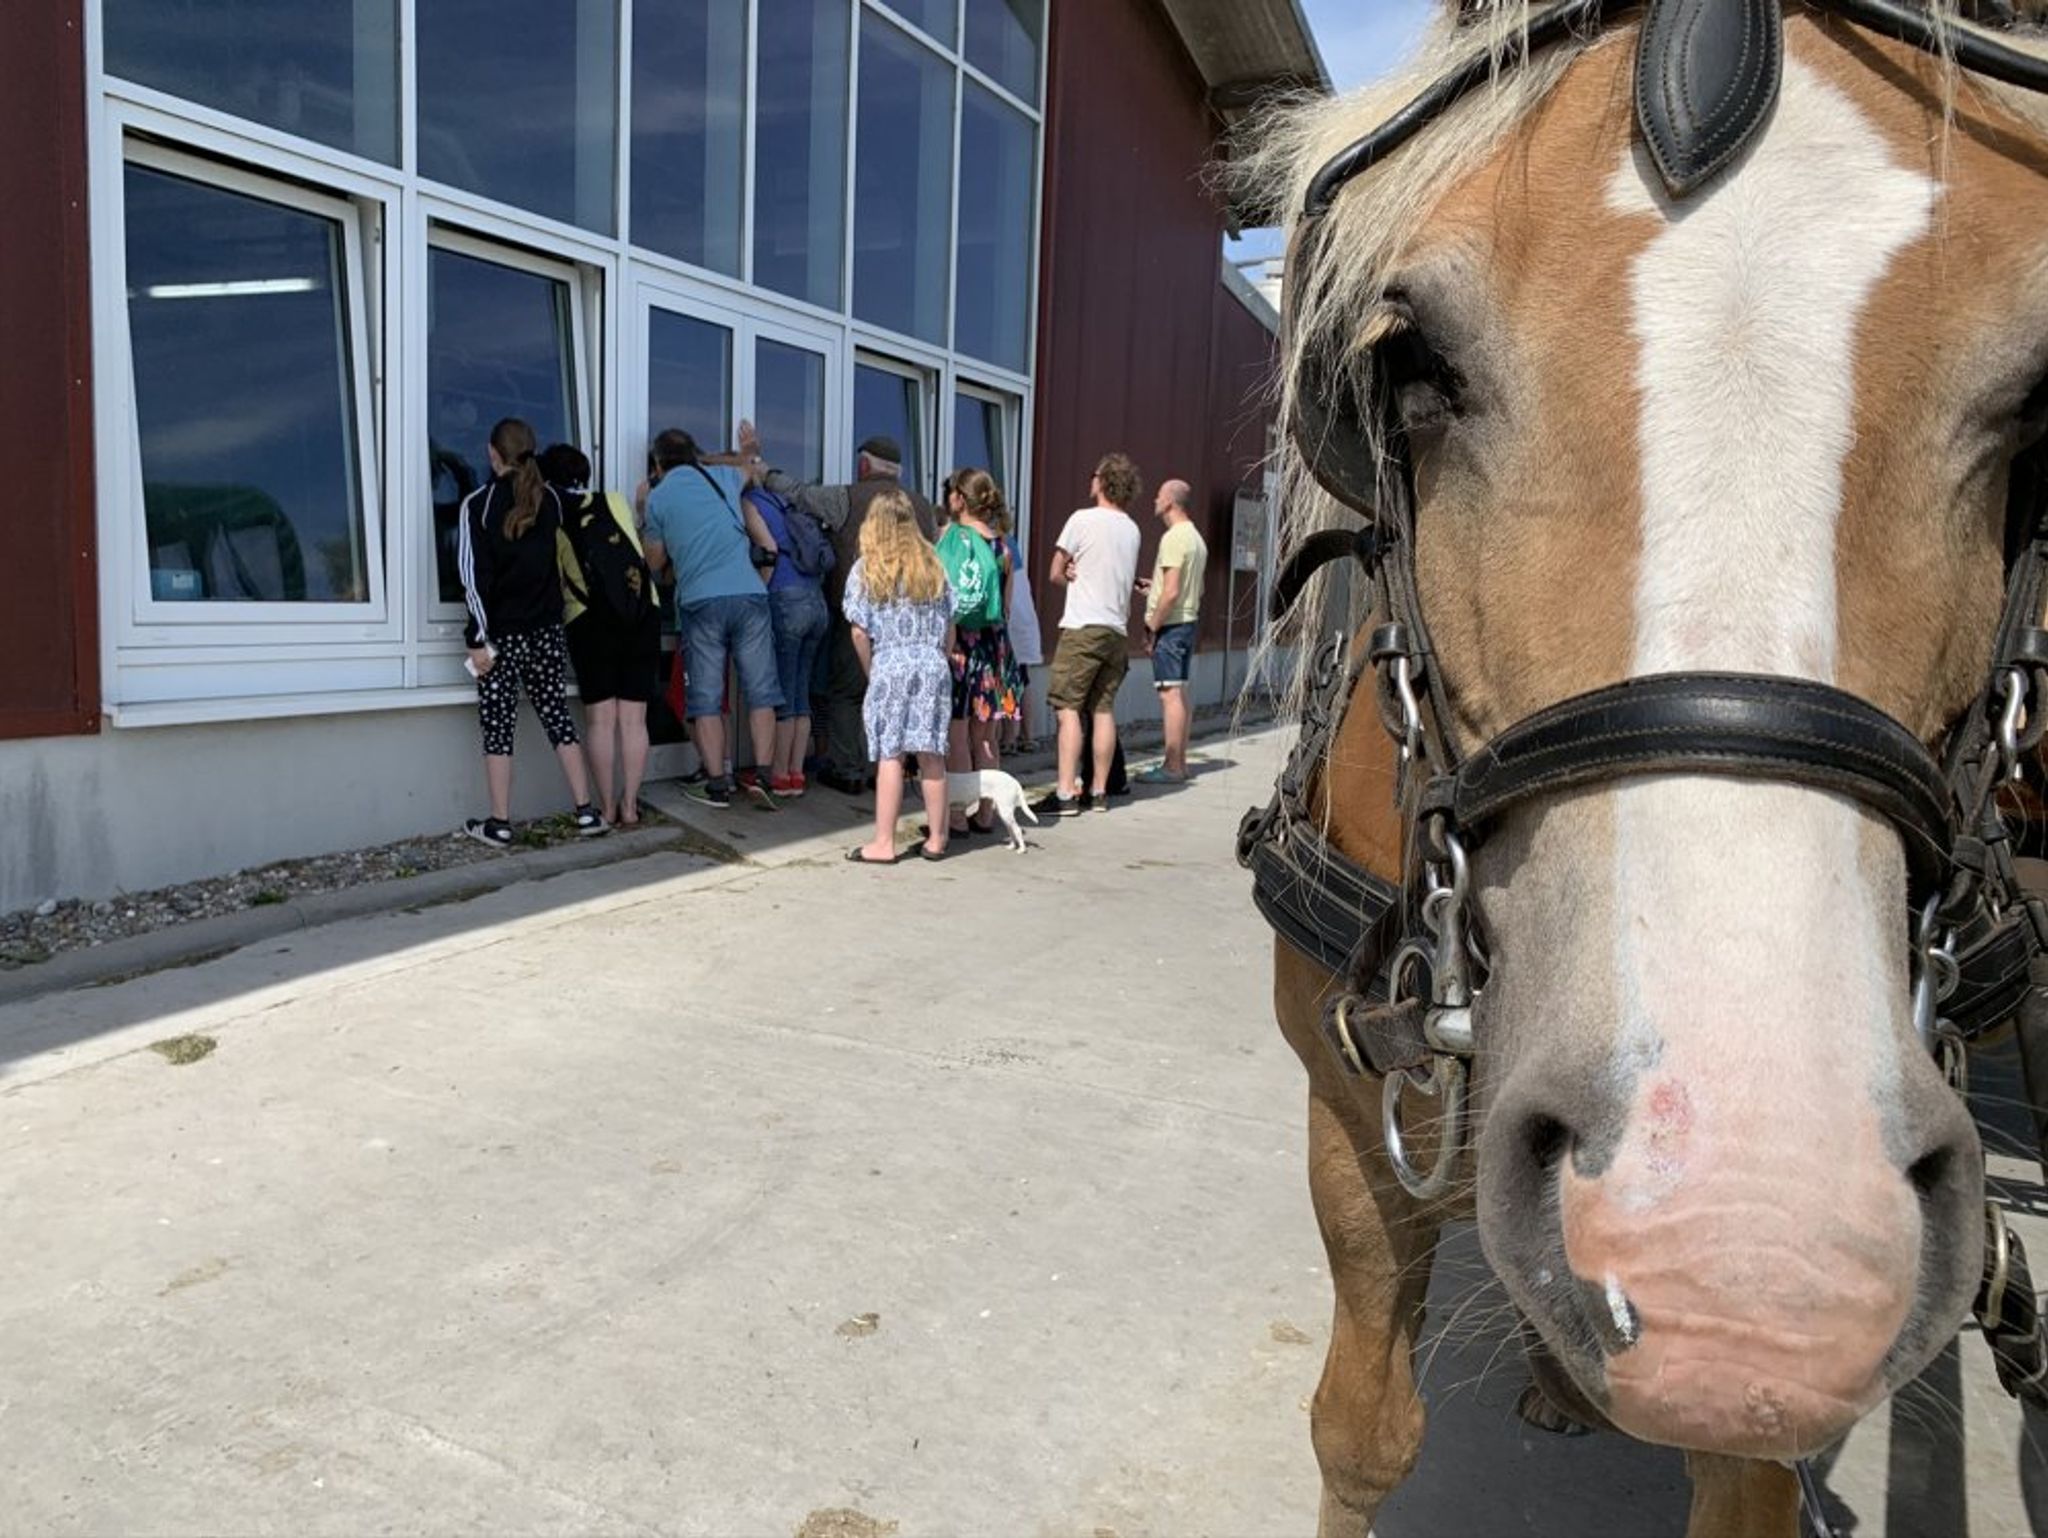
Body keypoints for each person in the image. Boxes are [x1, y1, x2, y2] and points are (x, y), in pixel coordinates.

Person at [748, 428, 936, 794]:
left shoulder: (847, 497)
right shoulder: (923, 505)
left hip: (862, 615)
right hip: (913, 621)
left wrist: (762, 470)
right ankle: (885, 767)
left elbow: (799, 494)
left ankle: (850, 769)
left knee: (847, 693)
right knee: (891, 695)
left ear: (864, 465)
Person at [456, 417, 605, 846]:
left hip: (501, 638)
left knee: (498, 728)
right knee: (557, 715)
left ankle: (499, 823)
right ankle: (585, 811)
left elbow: (473, 578)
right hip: (545, 632)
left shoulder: (478, 505)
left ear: (492, 454)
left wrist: (477, 637)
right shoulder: (553, 502)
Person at [640, 424, 783, 812]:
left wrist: (645, 515)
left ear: (656, 463)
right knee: (761, 691)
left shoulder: (658, 497)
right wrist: (729, 455)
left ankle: (717, 785)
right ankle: (766, 777)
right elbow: (754, 466)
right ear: (695, 455)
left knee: (705, 697)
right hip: (750, 595)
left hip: (702, 602)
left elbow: (653, 562)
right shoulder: (723, 475)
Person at [541, 443, 661, 825]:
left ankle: (606, 807)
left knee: (600, 720)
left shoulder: (553, 512)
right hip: (642, 614)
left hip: (589, 619)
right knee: (633, 720)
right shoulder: (615, 500)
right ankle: (630, 805)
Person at [840, 490, 954, 866]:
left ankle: (883, 843)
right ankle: (937, 839)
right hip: (932, 661)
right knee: (931, 754)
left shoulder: (867, 567)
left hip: (890, 662)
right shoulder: (933, 563)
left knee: (891, 754)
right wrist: (939, 655)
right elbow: (950, 622)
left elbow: (859, 631)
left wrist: (873, 670)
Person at [1033, 453, 1144, 818]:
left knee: (1067, 711)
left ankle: (1065, 793)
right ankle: (1098, 791)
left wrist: (1070, 573)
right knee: (1103, 710)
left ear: (1102, 481)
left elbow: (1054, 574)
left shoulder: (1081, 519)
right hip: (1116, 630)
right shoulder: (1132, 529)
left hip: (1083, 626)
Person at [935, 468, 1020, 834]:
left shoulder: (951, 538)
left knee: (956, 734)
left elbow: (939, 599)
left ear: (959, 499)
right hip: (993, 648)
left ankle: (955, 817)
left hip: (959, 648)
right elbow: (1007, 607)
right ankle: (986, 814)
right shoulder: (1003, 545)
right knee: (985, 737)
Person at [746, 478, 831, 797]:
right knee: (800, 692)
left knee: (783, 689)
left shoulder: (749, 503)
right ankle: (795, 773)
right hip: (816, 601)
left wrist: (761, 590)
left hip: (786, 599)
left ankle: (779, 774)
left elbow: (767, 549)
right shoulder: (786, 501)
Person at [1137, 478, 1210, 784]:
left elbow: (1171, 593)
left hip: (1170, 625)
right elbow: (1189, 588)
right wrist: (1154, 590)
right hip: (1187, 619)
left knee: (1169, 695)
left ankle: (1171, 766)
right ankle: (1181, 763)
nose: (1154, 500)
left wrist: (1151, 625)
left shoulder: (1173, 538)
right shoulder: (1195, 538)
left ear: (1169, 501)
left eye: (1158, 495)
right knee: (1179, 692)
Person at [1000, 523, 1045, 756]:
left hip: (1011, 621)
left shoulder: (996, 544)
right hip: (1023, 618)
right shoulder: (1010, 541)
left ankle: (1010, 736)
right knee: (1022, 679)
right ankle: (1027, 736)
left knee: (1010, 681)